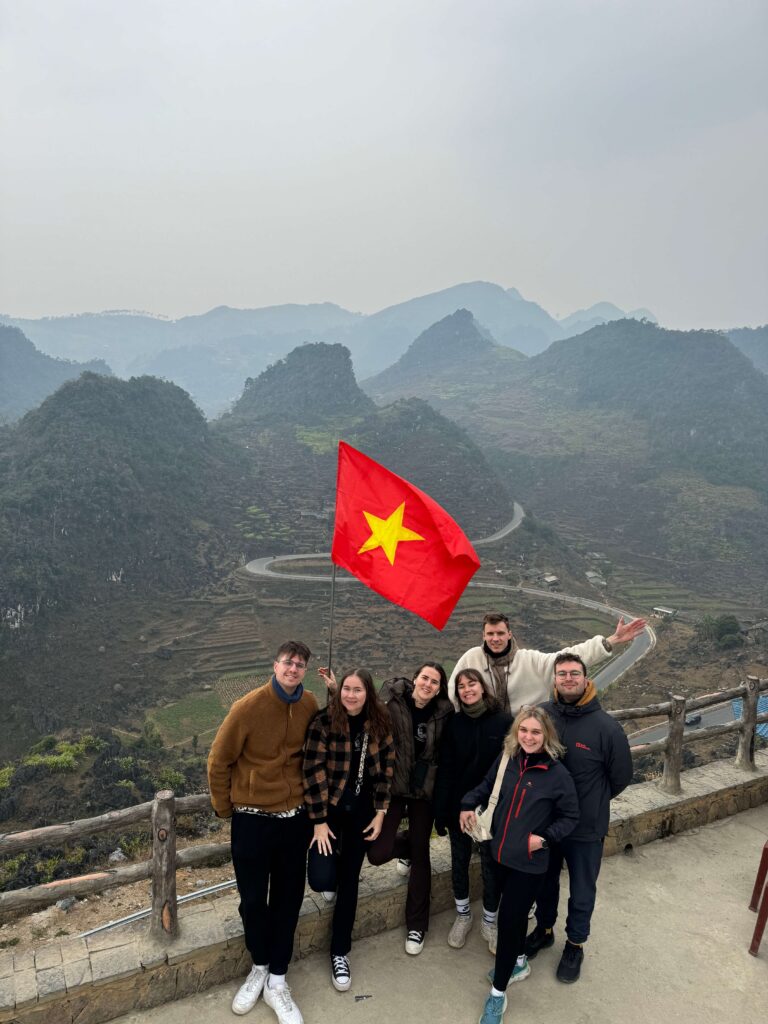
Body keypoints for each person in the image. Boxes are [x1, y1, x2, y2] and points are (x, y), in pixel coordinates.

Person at [207, 641, 317, 1024]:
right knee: (253, 900)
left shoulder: (309, 705)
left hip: (295, 820)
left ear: (305, 670)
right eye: (288, 662)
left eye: (300, 664)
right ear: (275, 665)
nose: (293, 669)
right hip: (252, 821)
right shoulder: (247, 708)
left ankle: (278, 979)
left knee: (289, 899)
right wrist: (225, 808)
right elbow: (218, 760)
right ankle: (259, 966)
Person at [460, 706, 579, 1024]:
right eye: (523, 730)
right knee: (511, 918)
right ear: (516, 732)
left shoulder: (558, 776)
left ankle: (498, 995)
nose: (528, 737)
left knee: (509, 923)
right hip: (498, 854)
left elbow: (571, 817)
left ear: (547, 735)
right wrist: (467, 804)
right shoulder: (507, 760)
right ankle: (520, 961)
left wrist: (543, 839)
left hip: (529, 864)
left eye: (536, 732)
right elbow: (486, 787)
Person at [525, 652, 633, 984]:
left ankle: (575, 944)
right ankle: (544, 930)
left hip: (586, 828)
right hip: (546, 823)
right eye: (562, 674)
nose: (568, 679)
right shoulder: (542, 715)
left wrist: (592, 802)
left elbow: (620, 777)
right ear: (554, 679)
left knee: (582, 889)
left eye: (574, 673)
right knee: (543, 883)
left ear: (586, 679)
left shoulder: (607, 728)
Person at [303, 668, 395, 993]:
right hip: (328, 813)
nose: (351, 695)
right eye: (346, 689)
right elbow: (312, 771)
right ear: (338, 690)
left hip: (362, 814)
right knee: (320, 879)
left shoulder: (380, 725)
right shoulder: (323, 722)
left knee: (349, 881)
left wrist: (381, 813)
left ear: (368, 693)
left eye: (358, 690)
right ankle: (331, 877)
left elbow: (385, 772)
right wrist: (318, 822)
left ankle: (340, 950)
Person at [366, 662, 454, 955]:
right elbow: (365, 719)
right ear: (415, 679)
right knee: (377, 852)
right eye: (424, 678)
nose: (428, 684)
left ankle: (417, 925)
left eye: (434, 682)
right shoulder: (392, 703)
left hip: (423, 792)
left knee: (421, 855)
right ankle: (407, 845)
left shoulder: (445, 713)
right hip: (394, 787)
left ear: (439, 689)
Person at [434, 668, 512, 953]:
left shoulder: (503, 721)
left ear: (482, 687)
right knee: (460, 861)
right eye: (461, 686)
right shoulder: (454, 724)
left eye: (472, 684)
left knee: (491, 866)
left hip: (492, 809)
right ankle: (463, 916)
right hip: (460, 808)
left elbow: (510, 767)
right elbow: (446, 768)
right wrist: (442, 811)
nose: (467, 690)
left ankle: (489, 921)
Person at [448, 611, 647, 714]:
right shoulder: (471, 658)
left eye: (500, 633)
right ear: (483, 636)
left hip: (525, 738)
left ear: (509, 634)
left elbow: (567, 657)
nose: (495, 638)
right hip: (481, 735)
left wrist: (611, 640)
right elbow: (453, 693)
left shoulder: (530, 660)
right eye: (490, 634)